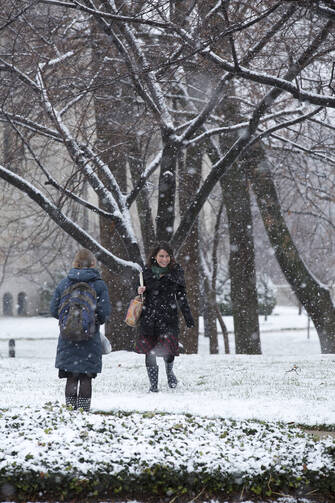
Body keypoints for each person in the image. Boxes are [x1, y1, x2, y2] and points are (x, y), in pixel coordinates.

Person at [50, 248, 111, 412]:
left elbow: (53, 309)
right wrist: (91, 321)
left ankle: (70, 411)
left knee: (71, 376)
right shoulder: (99, 284)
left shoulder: (64, 283)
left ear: (75, 263)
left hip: (67, 337)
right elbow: (104, 313)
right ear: (93, 264)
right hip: (89, 338)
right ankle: (83, 412)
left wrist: (69, 321)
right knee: (85, 377)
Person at [134, 242, 195, 392]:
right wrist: (140, 290)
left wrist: (188, 316)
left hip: (168, 317)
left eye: (167, 256)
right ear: (155, 256)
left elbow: (181, 296)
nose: (164, 259)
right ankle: (153, 385)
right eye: (161, 256)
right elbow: (138, 294)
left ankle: (169, 373)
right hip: (149, 317)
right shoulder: (146, 271)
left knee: (168, 351)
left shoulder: (176, 271)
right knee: (150, 352)